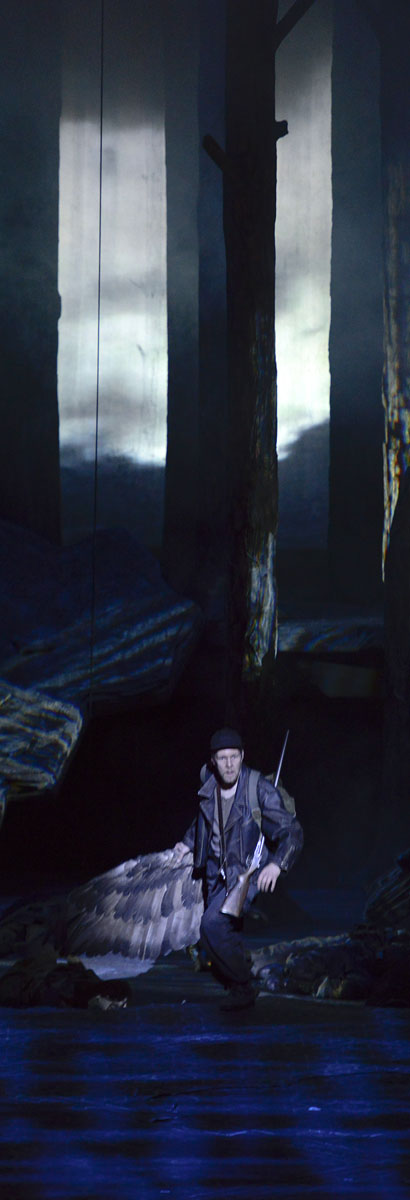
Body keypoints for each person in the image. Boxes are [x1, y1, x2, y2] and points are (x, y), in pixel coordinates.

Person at [173, 727, 303, 1010]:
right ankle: (237, 986)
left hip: (247, 873)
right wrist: (187, 844)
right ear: (213, 761)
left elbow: (292, 832)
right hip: (215, 873)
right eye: (223, 758)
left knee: (212, 924)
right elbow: (203, 822)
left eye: (234, 757)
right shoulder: (209, 787)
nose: (229, 764)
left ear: (242, 756)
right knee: (219, 934)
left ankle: (243, 986)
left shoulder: (259, 789)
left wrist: (276, 865)